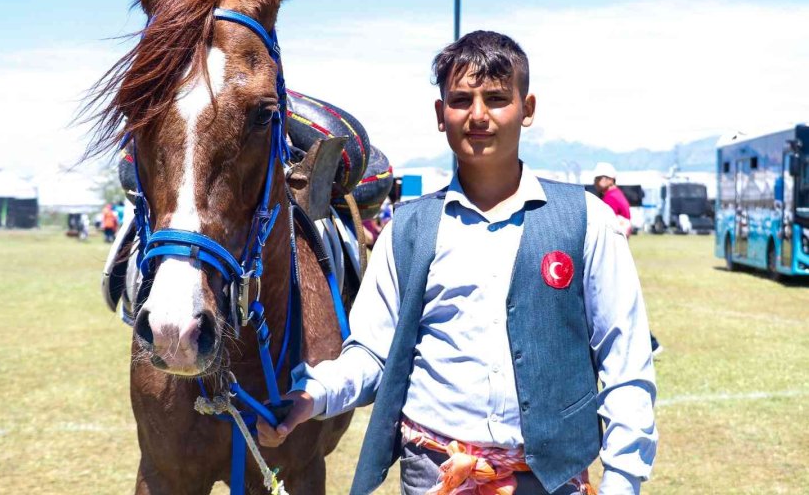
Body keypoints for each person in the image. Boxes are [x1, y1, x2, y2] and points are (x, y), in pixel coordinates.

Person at [258, 31, 657, 495]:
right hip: (434, 477)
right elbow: (371, 353)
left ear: (527, 109)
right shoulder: (406, 230)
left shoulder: (587, 220)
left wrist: (623, 480)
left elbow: (625, 363)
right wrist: (313, 395)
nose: (478, 115)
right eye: (462, 100)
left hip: (552, 482)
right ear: (440, 114)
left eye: (497, 98)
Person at [593, 163, 662, 356]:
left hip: (611, 255)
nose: (596, 182)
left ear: (609, 179)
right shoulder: (617, 196)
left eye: (598, 178)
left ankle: (651, 343)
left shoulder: (610, 199)